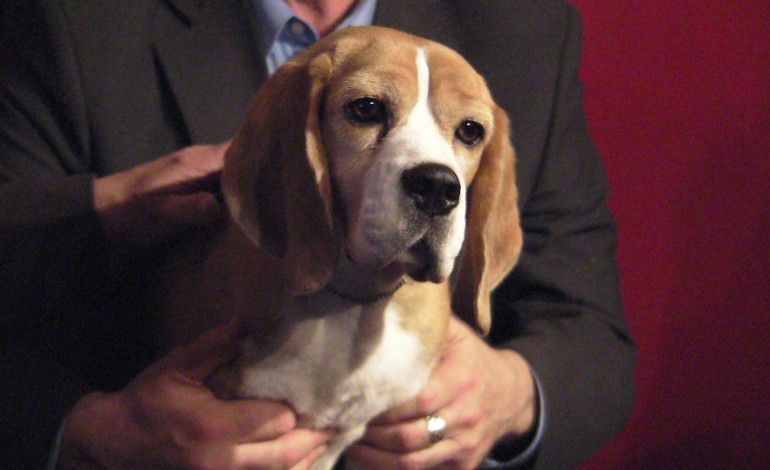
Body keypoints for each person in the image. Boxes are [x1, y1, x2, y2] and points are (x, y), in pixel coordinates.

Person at [0, 0, 636, 468]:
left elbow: (593, 337)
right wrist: (87, 432)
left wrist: (508, 393)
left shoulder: (524, 26)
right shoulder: (71, 19)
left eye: (466, 134)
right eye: (365, 109)